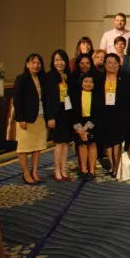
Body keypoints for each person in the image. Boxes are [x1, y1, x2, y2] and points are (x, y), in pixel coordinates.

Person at [95, 53, 130, 177]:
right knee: (108, 141)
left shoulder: (126, 77)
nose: (112, 65)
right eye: (109, 62)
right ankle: (112, 166)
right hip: (104, 113)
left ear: (119, 64)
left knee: (117, 141)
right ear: (105, 64)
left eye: (114, 63)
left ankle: (117, 166)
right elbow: (96, 97)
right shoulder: (99, 78)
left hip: (120, 113)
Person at [13, 54, 47, 185]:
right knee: (24, 147)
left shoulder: (42, 79)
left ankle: (34, 172)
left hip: (40, 117)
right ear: (27, 64)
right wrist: (21, 119)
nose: (36, 65)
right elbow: (17, 100)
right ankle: (26, 173)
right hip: (26, 119)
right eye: (33, 62)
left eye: (38, 63)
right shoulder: (21, 79)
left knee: (37, 146)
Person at [45, 49, 73, 182]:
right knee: (58, 143)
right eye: (56, 60)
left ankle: (63, 169)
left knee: (66, 143)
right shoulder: (49, 77)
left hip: (67, 112)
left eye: (61, 60)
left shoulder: (69, 75)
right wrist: (50, 117)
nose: (59, 63)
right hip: (56, 113)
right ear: (53, 62)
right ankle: (56, 170)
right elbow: (47, 99)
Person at [69, 73, 98, 181]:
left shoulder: (97, 95)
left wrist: (86, 128)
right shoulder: (75, 94)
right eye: (86, 81)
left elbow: (98, 113)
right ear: (81, 82)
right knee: (82, 145)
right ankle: (84, 170)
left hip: (92, 123)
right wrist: (80, 129)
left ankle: (92, 170)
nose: (88, 84)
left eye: (91, 82)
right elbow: (71, 113)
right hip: (78, 123)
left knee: (92, 145)